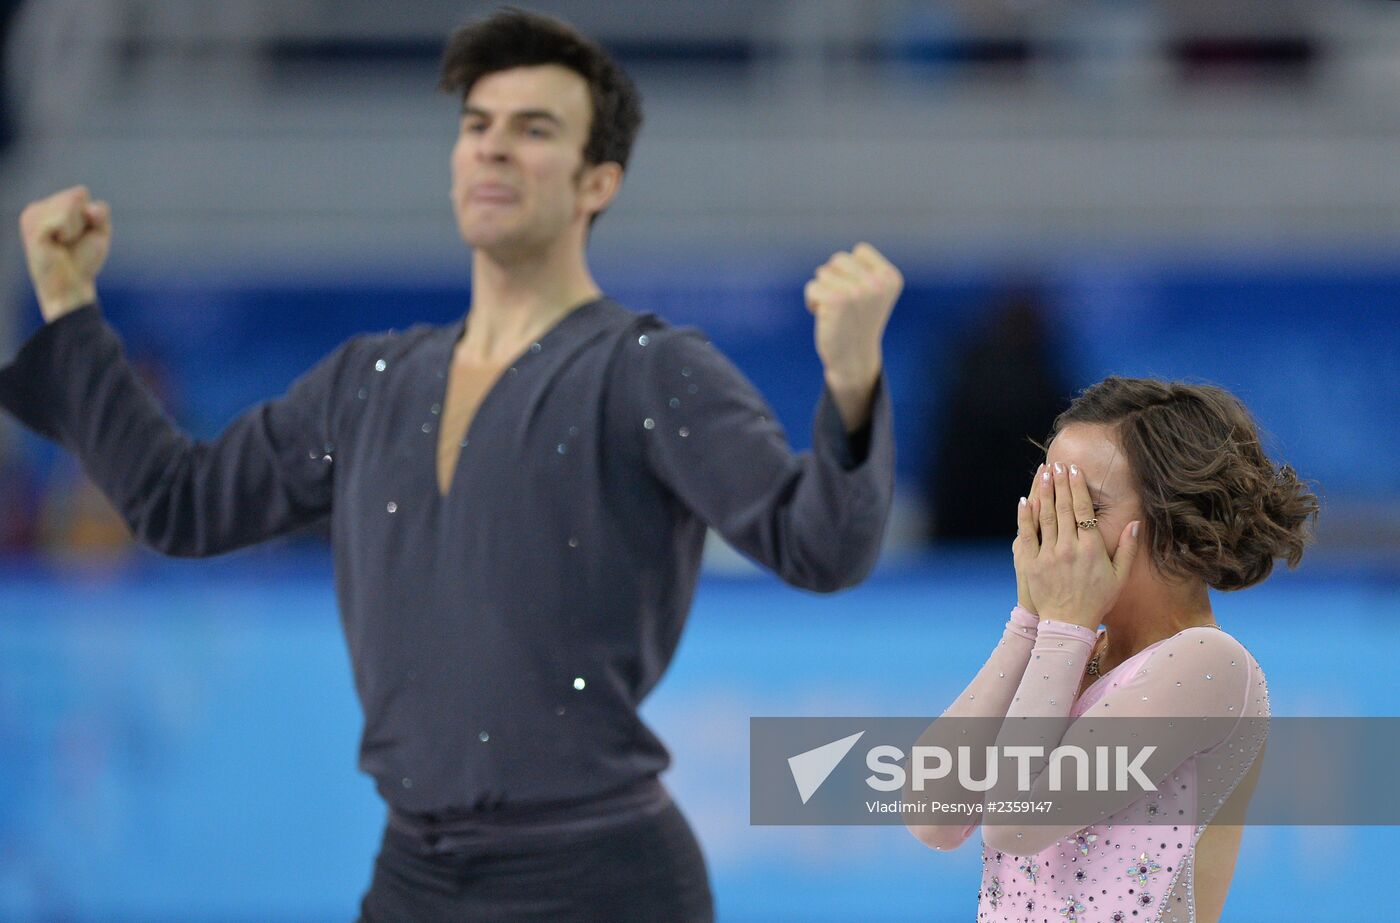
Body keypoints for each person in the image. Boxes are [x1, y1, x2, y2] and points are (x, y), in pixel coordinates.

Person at [0, 9, 901, 922]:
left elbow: (817, 544)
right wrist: (71, 306)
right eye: (477, 126)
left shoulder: (647, 370)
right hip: (414, 880)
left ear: (599, 181)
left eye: (533, 129)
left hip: (602, 881)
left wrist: (854, 379)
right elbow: (181, 503)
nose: (493, 150)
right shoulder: (369, 382)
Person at [906, 377, 1317, 923]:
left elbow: (1015, 820)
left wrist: (1060, 628)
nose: (1052, 534)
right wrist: (1028, 622)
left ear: (1173, 521)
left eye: (1082, 510)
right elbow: (932, 816)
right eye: (1046, 501)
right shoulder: (1071, 651)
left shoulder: (1208, 663)